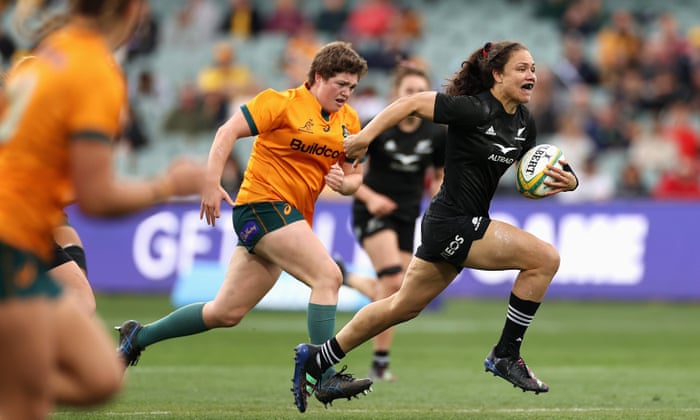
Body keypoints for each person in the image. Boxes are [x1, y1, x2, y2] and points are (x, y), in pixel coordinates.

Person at [291, 41, 580, 412]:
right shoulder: (471, 109)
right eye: (522, 68)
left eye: (534, 68)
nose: (532, 75)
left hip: (461, 223)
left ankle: (315, 358)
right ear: (497, 75)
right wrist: (364, 137)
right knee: (545, 258)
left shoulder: (524, 123)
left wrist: (566, 183)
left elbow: (529, 180)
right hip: (453, 222)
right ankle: (506, 354)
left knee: (400, 306)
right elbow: (409, 103)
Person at [116, 41, 373, 413]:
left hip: (289, 218)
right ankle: (325, 372)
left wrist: (342, 182)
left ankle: (138, 336)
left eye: (352, 87)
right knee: (328, 277)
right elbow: (226, 132)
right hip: (260, 206)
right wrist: (210, 181)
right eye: (340, 84)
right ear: (318, 77)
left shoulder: (349, 121)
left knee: (226, 312)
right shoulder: (279, 102)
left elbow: (355, 178)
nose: (346, 92)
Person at [0, 1, 204, 418]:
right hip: (10, 237)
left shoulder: (49, 52)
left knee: (80, 379)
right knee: (75, 380)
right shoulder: (94, 70)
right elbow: (97, 198)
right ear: (132, 11)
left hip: (23, 229)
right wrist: (169, 186)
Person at [346, 63, 446, 381]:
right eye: (409, 91)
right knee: (391, 281)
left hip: (407, 215)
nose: (415, 97)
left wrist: (438, 202)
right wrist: (370, 198)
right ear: (396, 95)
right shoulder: (378, 126)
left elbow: (440, 175)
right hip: (373, 212)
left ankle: (348, 278)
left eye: (421, 91)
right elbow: (347, 175)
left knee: (399, 292)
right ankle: (379, 364)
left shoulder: (437, 132)